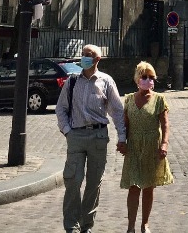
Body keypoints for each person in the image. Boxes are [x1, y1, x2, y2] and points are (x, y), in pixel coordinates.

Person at [55, 43, 127, 233]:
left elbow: (117, 111)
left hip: (98, 136)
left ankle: (86, 226)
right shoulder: (71, 82)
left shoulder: (106, 81)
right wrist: (67, 130)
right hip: (76, 136)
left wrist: (122, 136)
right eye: (83, 54)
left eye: (89, 55)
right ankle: (71, 226)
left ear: (97, 59)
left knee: (94, 183)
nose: (84, 57)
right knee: (73, 180)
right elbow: (61, 108)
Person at [120, 61, 172, 233]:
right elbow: (125, 125)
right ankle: (131, 226)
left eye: (151, 77)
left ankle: (145, 224)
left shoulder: (159, 100)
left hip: (152, 146)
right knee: (134, 186)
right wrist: (122, 142)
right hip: (134, 146)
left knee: (148, 186)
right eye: (144, 77)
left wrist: (164, 144)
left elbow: (165, 125)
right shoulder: (128, 99)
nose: (148, 80)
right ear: (137, 79)